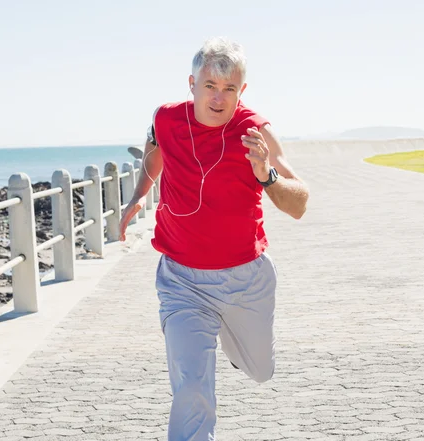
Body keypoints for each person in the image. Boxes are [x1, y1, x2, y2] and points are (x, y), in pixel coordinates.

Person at [119, 37, 309, 441]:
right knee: (191, 389)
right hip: (182, 281)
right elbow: (155, 151)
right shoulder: (166, 118)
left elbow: (299, 204)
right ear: (191, 83)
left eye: (229, 89)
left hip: (247, 280)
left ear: (242, 91)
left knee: (262, 371)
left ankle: (232, 338)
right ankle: (205, 328)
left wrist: (266, 175)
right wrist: (138, 196)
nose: (219, 98)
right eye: (209, 86)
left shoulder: (255, 132)